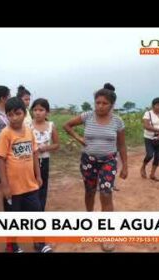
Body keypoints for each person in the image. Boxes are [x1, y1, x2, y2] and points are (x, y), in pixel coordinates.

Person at [63, 83, 128, 252]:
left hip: (109, 161)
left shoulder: (117, 121)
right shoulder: (87, 116)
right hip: (88, 161)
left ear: (112, 105)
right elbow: (67, 125)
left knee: (106, 193)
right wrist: (78, 138)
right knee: (90, 191)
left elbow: (122, 145)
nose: (100, 106)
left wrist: (125, 166)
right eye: (97, 102)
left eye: (104, 103)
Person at [0, 97, 52, 253]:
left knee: (36, 214)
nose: (14, 118)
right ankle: (12, 246)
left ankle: (40, 243)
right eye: (10, 114)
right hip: (13, 188)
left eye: (18, 114)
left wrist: (38, 176)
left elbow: (34, 154)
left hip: (30, 185)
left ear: (24, 113)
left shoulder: (29, 131)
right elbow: (0, 160)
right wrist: (5, 186)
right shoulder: (5, 134)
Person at [30, 98, 60, 210]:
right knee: (30, 188)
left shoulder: (51, 125)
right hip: (29, 161)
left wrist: (46, 148)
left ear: (47, 112)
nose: (37, 112)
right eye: (35, 109)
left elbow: (57, 144)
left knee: (42, 187)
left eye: (41, 110)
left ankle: (40, 210)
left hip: (44, 161)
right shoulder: (28, 126)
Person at [140, 97, 159, 181]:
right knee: (149, 154)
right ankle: (143, 167)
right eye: (157, 105)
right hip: (149, 138)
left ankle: (152, 175)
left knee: (157, 157)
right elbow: (146, 126)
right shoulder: (148, 113)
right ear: (153, 105)